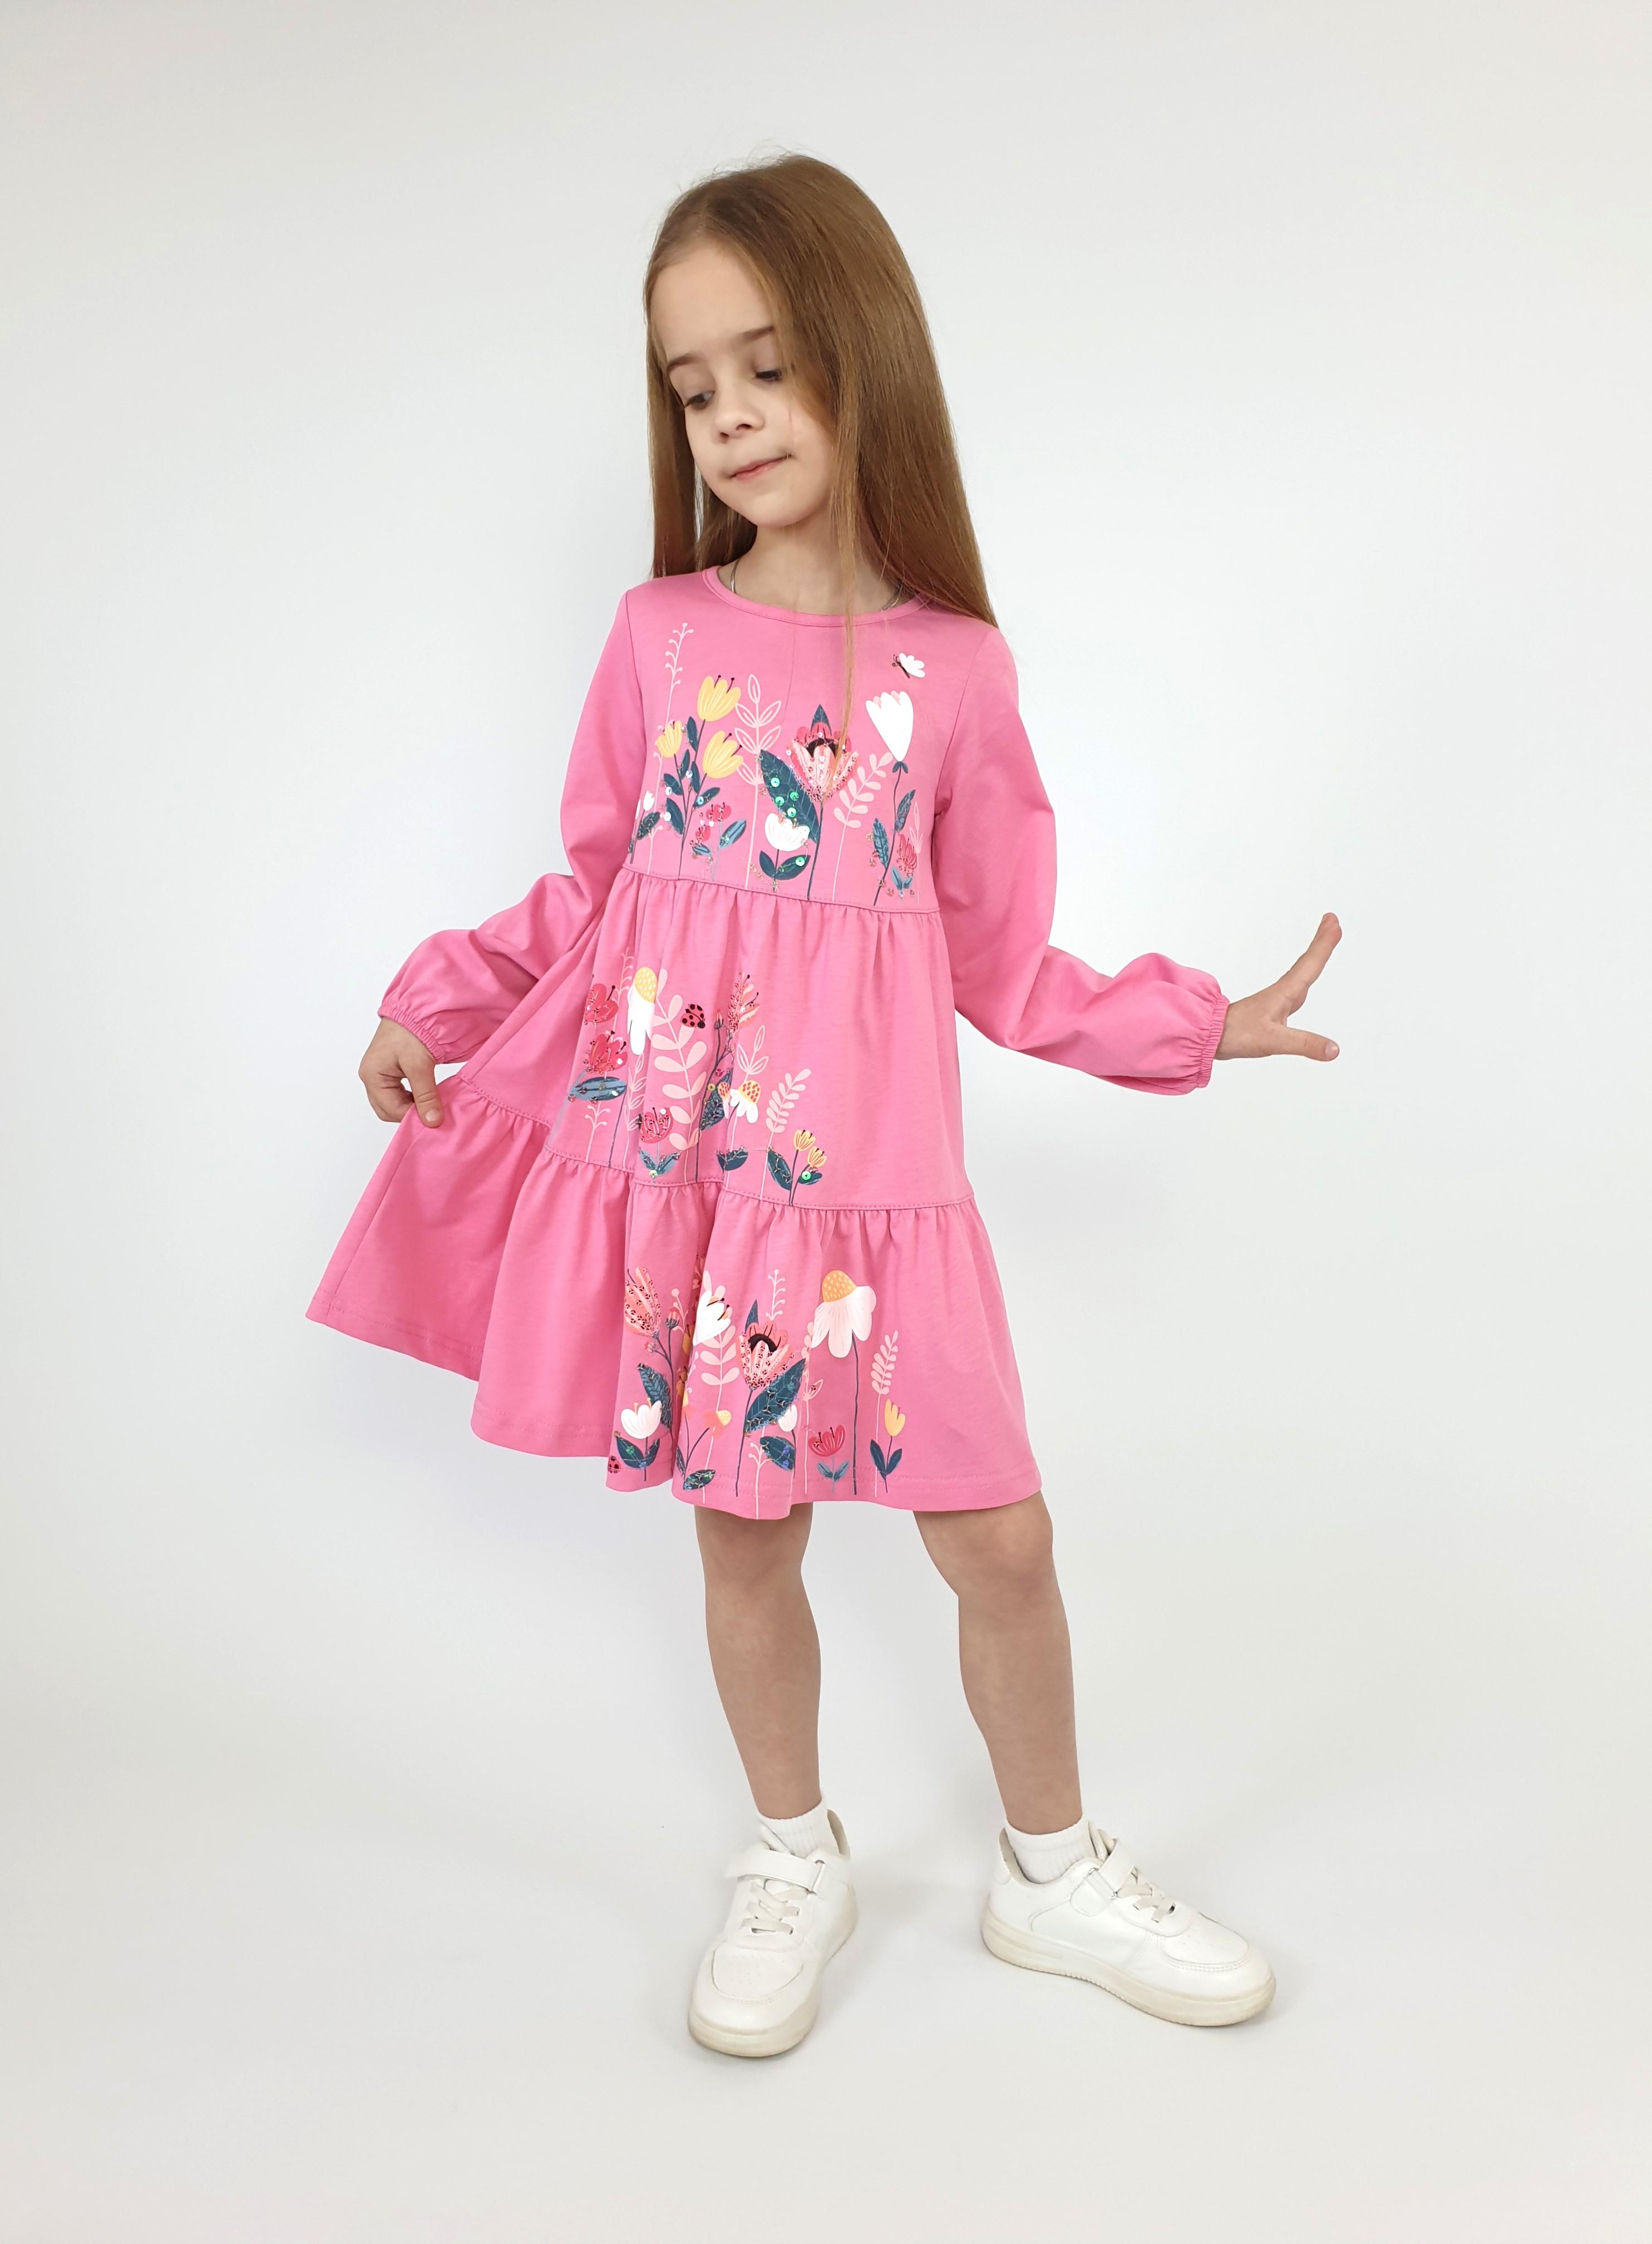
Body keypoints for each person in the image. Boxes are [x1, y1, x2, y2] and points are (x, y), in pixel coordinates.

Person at [308, 151, 1341, 2060]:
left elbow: (1004, 962)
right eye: (694, 386)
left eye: (768, 366)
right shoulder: (660, 638)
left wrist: (1200, 1024)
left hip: (881, 1206)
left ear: (867, 356)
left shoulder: (962, 675)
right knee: (743, 1538)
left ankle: (1052, 1873)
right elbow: (595, 889)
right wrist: (430, 996)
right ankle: (793, 1854)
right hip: (706, 1188)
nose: (731, 416)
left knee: (1001, 1542)